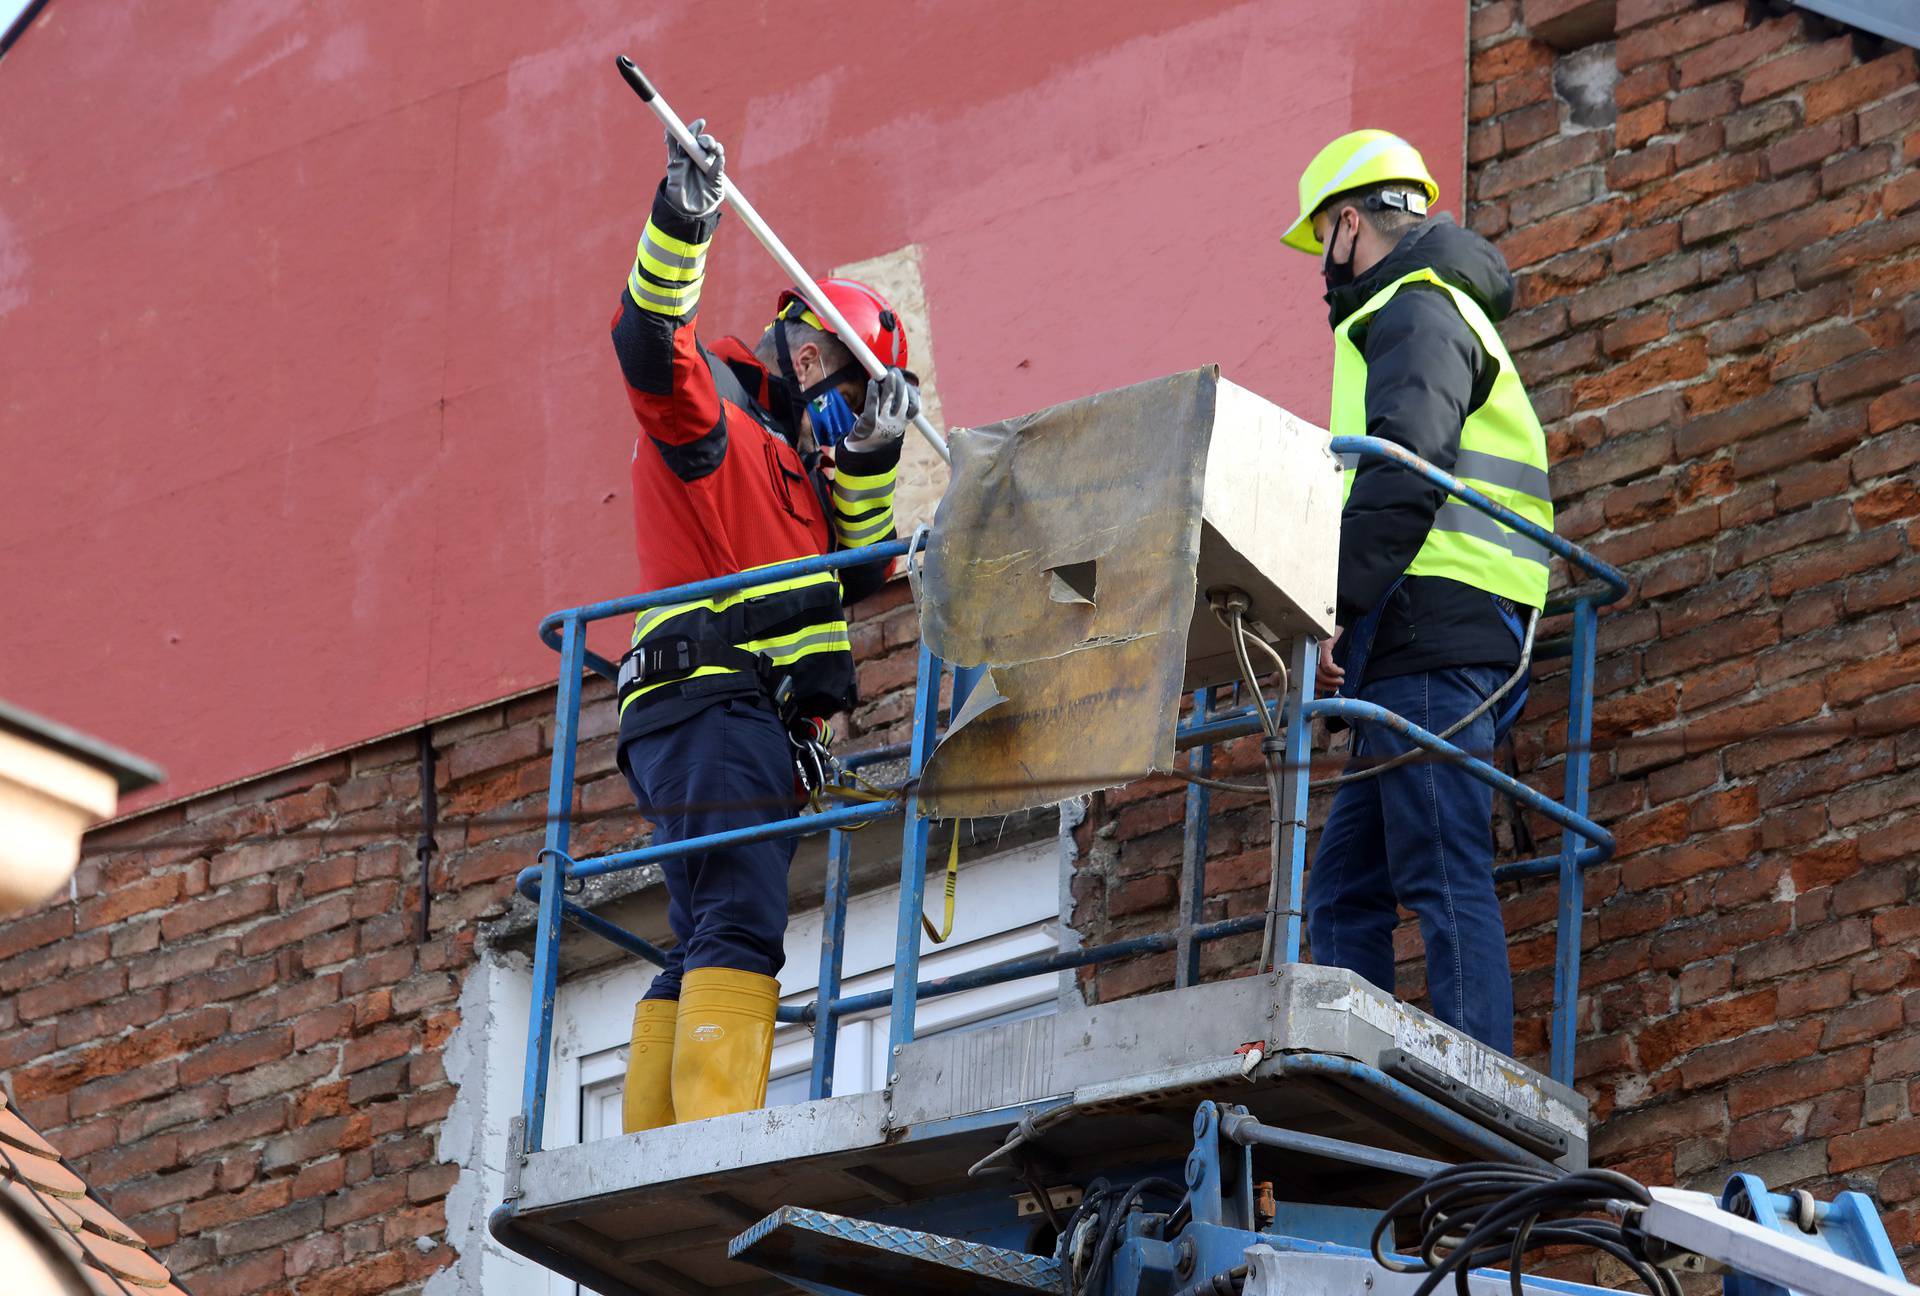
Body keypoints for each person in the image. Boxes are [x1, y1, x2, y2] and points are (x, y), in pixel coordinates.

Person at [610, 118, 916, 1129]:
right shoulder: (724, 423)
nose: (842, 405)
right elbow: (650, 344)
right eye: (845, 380)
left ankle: (651, 1145)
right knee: (737, 923)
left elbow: (859, 568)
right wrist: (679, 222)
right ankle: (702, 1147)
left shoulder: (799, 481)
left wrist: (873, 459)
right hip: (712, 701)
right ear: (802, 340)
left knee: (703, 927)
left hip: (721, 720)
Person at [1282, 130, 1554, 1056]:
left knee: (1440, 864)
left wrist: (1335, 604)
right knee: (1343, 889)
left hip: (1438, 627)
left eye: (1323, 236)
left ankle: (1472, 1078)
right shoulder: (1432, 310)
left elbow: (1406, 469)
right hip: (1431, 634)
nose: (1321, 264)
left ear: (1348, 224)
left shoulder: (1414, 310)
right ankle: (1361, 1074)